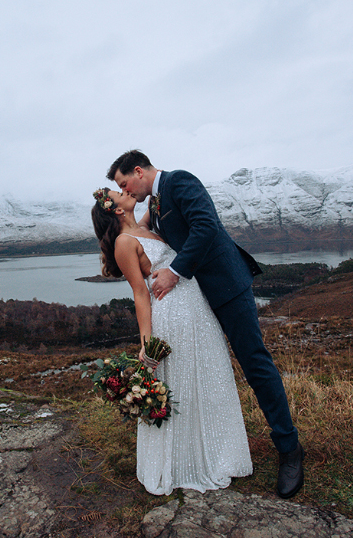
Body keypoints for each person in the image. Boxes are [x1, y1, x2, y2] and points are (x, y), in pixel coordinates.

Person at [107, 149, 305, 499]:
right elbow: (140, 245)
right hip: (195, 304)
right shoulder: (153, 206)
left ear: (138, 171)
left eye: (125, 183)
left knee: (255, 364)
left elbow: (206, 226)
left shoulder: (180, 181)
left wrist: (175, 272)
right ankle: (204, 447)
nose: (128, 191)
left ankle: (289, 450)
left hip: (227, 287)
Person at [92, 187, 252, 495]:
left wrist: (157, 187)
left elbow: (155, 200)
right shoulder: (125, 243)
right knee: (182, 380)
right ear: (115, 209)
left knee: (209, 375)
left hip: (196, 306)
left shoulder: (142, 226)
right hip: (172, 314)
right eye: (118, 191)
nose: (125, 190)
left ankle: (219, 455)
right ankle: (182, 463)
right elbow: (140, 293)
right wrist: (146, 343)